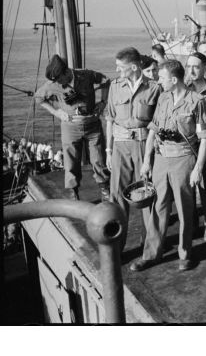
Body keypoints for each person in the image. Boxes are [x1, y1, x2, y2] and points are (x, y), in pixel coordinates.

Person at [130, 60, 206, 272]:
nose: (159, 81)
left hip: (183, 159)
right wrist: (147, 161)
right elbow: (153, 130)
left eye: (162, 78)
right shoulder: (163, 98)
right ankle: (151, 254)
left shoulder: (196, 102)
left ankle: (185, 254)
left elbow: (205, 138)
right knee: (158, 207)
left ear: (174, 79)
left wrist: (198, 168)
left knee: (185, 208)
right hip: (161, 159)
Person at [105, 47, 161, 249]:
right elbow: (110, 119)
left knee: (146, 195)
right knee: (117, 196)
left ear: (134, 67)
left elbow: (157, 123)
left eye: (121, 67)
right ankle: (116, 247)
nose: (117, 70)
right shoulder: (115, 87)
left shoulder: (154, 88)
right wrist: (108, 151)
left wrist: (150, 156)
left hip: (143, 145)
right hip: (120, 146)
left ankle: (150, 248)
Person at [35, 54, 111, 201]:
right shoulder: (52, 84)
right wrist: (56, 112)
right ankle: (73, 191)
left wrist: (103, 102)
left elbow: (106, 80)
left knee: (98, 159)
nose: (58, 83)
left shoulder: (86, 74)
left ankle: (104, 188)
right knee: (71, 161)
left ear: (66, 72)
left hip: (92, 124)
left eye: (59, 79)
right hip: (70, 127)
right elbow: (39, 98)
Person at [185, 52, 206, 237]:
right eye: (189, 66)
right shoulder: (183, 89)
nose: (191, 70)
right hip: (187, 143)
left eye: (196, 67)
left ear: (205, 68)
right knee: (187, 186)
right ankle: (190, 224)